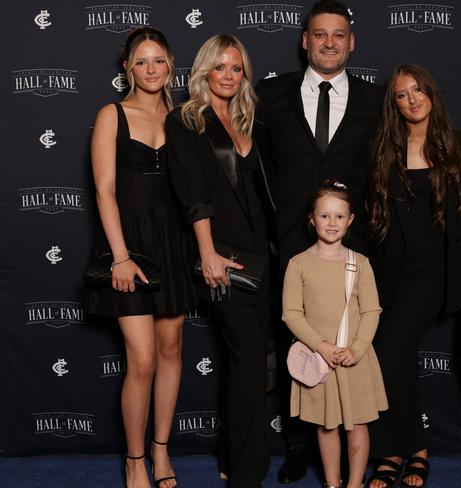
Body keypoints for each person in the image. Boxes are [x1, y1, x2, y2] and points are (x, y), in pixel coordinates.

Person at [255, 1, 383, 481]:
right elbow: (256, 168)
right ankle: (297, 446)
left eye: (339, 34)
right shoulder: (269, 94)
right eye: (320, 34)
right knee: (297, 344)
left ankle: (356, 438)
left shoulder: (376, 99)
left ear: (352, 42)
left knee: (353, 343)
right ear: (305, 40)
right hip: (289, 244)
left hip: (354, 245)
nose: (330, 42)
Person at [85, 27, 196, 488]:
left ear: (171, 64)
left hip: (173, 244)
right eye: (141, 62)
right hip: (128, 248)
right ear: (127, 68)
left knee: (172, 350)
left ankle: (161, 451)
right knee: (144, 359)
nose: (151, 69)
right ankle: (134, 460)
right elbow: (105, 190)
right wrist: (120, 257)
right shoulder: (113, 114)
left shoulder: (184, 117)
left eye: (159, 61)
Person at [165, 34, 274, 488]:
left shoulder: (248, 119)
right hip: (224, 254)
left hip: (264, 254)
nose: (229, 76)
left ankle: (232, 456)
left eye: (237, 68)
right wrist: (208, 253)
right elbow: (194, 195)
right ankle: (247, 474)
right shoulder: (185, 120)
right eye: (220, 68)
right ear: (204, 71)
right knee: (247, 356)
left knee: (246, 361)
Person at [365, 64, 461, 488]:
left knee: (391, 350)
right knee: (394, 355)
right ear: (393, 104)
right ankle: (408, 448)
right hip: (391, 271)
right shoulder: (385, 147)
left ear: (431, 93)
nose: (411, 100)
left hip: (434, 273)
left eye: (417, 91)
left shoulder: (457, 145)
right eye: (401, 95)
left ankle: (399, 451)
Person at [282, 180, 387, 488]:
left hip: (355, 359)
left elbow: (371, 311)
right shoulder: (298, 264)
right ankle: (332, 483)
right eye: (324, 216)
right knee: (326, 427)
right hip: (319, 359)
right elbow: (292, 314)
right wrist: (321, 346)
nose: (332, 223)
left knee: (357, 426)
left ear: (351, 220)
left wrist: (357, 348)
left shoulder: (361, 263)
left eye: (339, 216)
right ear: (311, 219)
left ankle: (354, 484)